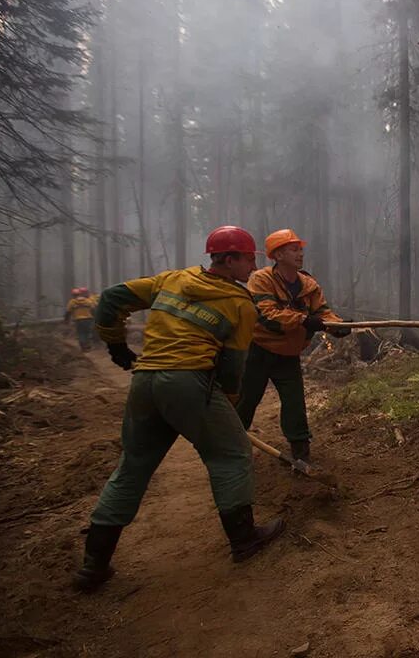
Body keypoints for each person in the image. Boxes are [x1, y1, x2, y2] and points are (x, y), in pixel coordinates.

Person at [73, 226, 287, 593]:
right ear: (230, 259)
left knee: (133, 465)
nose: (253, 267)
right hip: (189, 383)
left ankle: (93, 565)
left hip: (145, 383)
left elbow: (110, 299)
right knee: (232, 453)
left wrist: (117, 348)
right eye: (250, 259)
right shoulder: (240, 304)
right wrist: (228, 407)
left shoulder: (172, 279)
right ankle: (244, 539)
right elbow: (234, 368)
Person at [236, 228, 348, 464]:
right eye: (293, 249)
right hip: (258, 351)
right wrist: (304, 320)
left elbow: (322, 313)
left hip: (288, 354)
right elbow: (267, 316)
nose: (300, 254)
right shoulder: (261, 279)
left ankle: (301, 455)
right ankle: (232, 447)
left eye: (300, 250)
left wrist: (336, 325)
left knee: (295, 404)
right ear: (278, 255)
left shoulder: (308, 284)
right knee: (246, 401)